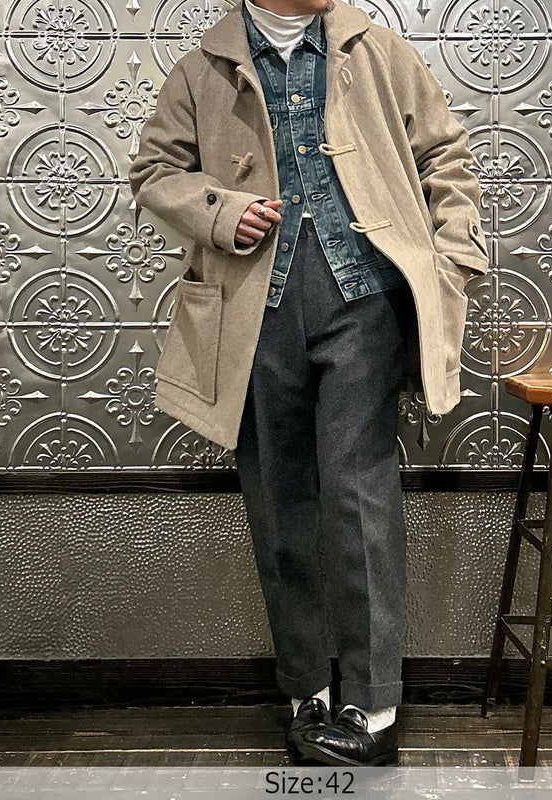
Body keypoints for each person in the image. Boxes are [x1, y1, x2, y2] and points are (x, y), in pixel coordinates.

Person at [129, 0, 488, 768]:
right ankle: (307, 696)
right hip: (251, 313)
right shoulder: (201, 70)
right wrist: (220, 211)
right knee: (279, 503)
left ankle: (374, 707)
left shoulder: (378, 52)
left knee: (361, 497)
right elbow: (155, 172)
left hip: (365, 305)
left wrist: (452, 260)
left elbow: (446, 156)